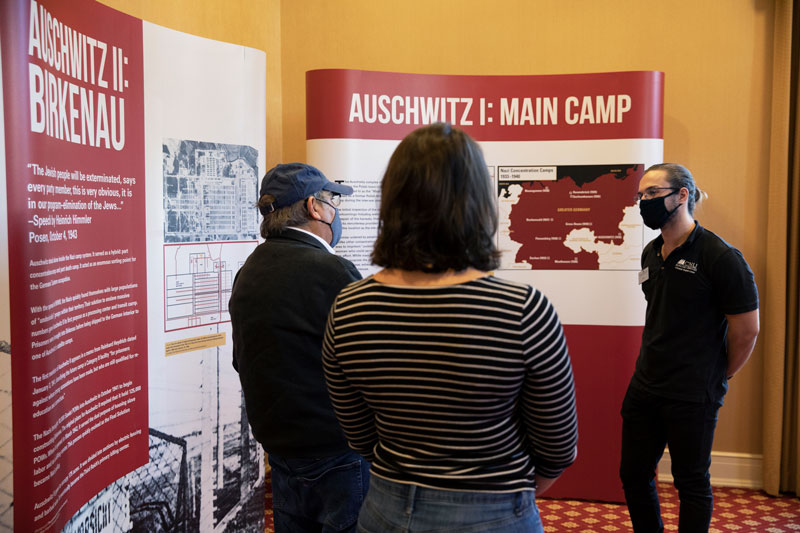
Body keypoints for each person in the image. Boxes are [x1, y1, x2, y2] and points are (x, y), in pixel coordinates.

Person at [321, 123, 579, 533]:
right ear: (480, 203)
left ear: (392, 201)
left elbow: (360, 437)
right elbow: (557, 449)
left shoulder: (349, 307)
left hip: (386, 509)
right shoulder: (523, 309)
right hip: (493, 510)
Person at [228, 163, 370, 533]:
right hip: (337, 452)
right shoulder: (334, 272)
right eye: (332, 200)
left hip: (282, 451)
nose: (335, 211)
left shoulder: (249, 271)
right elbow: (370, 370)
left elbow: (242, 360)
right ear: (314, 207)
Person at [620, 163, 760, 532]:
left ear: (682, 195)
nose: (644, 202)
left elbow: (747, 330)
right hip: (646, 385)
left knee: (690, 481)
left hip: (693, 391)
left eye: (652, 193)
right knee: (633, 476)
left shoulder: (721, 257)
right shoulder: (651, 252)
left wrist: (717, 374)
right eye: (640, 195)